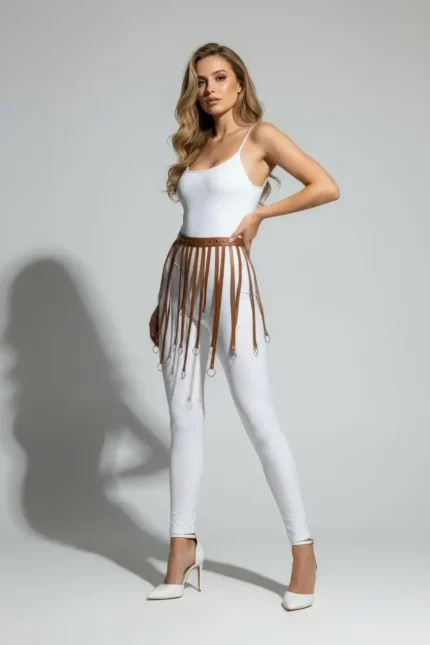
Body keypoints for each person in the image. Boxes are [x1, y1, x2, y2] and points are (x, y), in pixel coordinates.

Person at [147, 42, 339, 610]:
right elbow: (189, 222)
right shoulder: (197, 145)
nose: (209, 89)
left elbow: (325, 185)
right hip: (182, 282)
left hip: (230, 283)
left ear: (239, 82)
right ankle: (182, 547)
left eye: (220, 77)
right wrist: (163, 302)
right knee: (183, 418)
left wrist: (260, 214)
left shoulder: (261, 136)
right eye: (201, 80)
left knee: (259, 418)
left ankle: (303, 550)